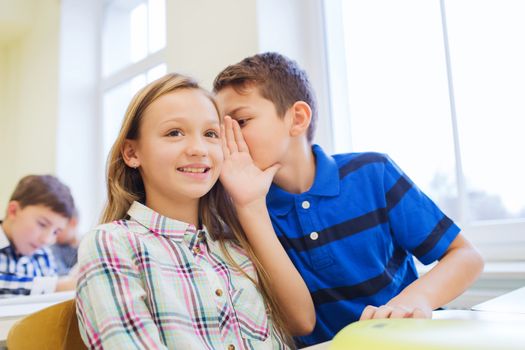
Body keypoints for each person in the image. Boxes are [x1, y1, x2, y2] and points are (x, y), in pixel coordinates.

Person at [213, 52, 485, 347]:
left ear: (298, 118)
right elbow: (297, 323)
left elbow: (466, 256)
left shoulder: (372, 173)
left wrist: (413, 299)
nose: (228, 139)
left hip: (409, 341)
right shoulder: (244, 211)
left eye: (240, 121)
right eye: (218, 129)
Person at [75, 73, 315, 349]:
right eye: (174, 133)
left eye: (211, 134)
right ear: (132, 153)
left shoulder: (233, 243)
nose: (199, 149)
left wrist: (251, 205)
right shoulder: (112, 243)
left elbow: (301, 322)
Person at [0, 175, 77, 297]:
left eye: (56, 232)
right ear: (13, 211)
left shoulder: (44, 254)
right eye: (42, 224)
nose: (47, 239)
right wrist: (57, 286)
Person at [50, 208, 79, 276]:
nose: (53, 234)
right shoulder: (54, 249)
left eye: (58, 229)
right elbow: (61, 275)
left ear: (73, 223)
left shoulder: (87, 244)